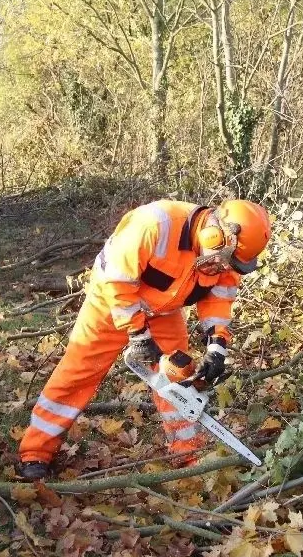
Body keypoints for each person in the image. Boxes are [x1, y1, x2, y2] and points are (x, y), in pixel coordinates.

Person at [15, 198, 272, 481]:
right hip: (112, 300)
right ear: (213, 236)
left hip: (163, 309)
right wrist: (137, 334)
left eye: (232, 265)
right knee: (79, 370)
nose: (225, 269)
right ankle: (36, 451)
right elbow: (118, 281)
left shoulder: (227, 261)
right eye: (225, 262)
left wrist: (217, 346)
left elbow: (219, 300)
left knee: (178, 376)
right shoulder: (155, 224)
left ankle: (186, 454)